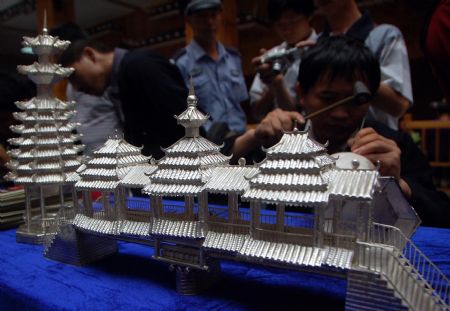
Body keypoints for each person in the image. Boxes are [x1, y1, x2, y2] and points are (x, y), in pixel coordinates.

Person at [231, 36, 450, 228]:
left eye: (355, 101)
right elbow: (219, 190)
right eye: (327, 98)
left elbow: (442, 214)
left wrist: (398, 186)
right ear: (302, 93)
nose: (341, 113)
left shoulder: (391, 146)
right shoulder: (280, 142)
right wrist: (253, 137)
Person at [58, 39, 187, 159]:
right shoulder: (121, 78)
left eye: (74, 77)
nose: (76, 88)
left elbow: (181, 120)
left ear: (90, 54)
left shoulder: (140, 65)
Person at [314, 0, 413, 130]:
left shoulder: (385, 36)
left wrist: (342, 65)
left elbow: (398, 106)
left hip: (375, 142)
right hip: (326, 145)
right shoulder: (314, 44)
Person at [173, 0, 248, 137]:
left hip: (242, 135)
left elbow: (241, 102)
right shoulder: (181, 64)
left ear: (220, 17)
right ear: (189, 20)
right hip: (209, 144)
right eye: (202, 16)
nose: (209, 22)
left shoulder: (233, 58)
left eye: (213, 15)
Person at [51, 23, 124, 155]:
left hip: (117, 153)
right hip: (89, 154)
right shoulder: (70, 84)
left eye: (57, 53)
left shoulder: (101, 76)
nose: (56, 60)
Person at [249, 0, 317, 121]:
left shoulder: (322, 49)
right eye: (279, 25)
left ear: (309, 16)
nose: (286, 30)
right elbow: (256, 112)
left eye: (292, 22)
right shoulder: (271, 56)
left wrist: (278, 83)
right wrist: (273, 85)